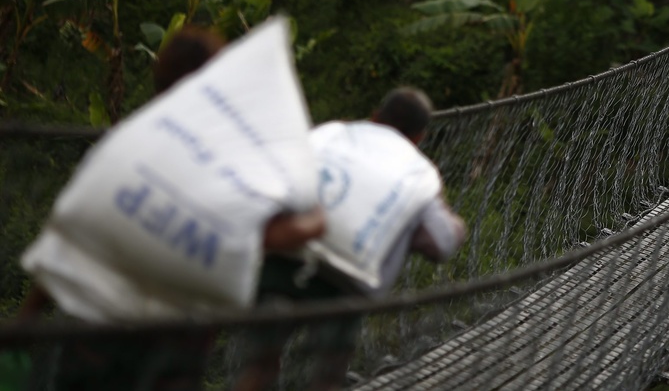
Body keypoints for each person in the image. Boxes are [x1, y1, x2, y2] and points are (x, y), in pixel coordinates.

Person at [16, 26, 327, 390]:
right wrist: (314, 211)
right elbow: (274, 235)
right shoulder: (233, 167)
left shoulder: (127, 144)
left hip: (92, 336)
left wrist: (27, 318)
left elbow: (72, 236)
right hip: (176, 346)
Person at [235, 87, 466, 391]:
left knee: (259, 367)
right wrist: (452, 221)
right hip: (344, 284)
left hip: (285, 259)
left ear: (374, 116)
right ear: (420, 137)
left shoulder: (330, 133)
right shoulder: (419, 172)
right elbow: (440, 242)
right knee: (328, 377)